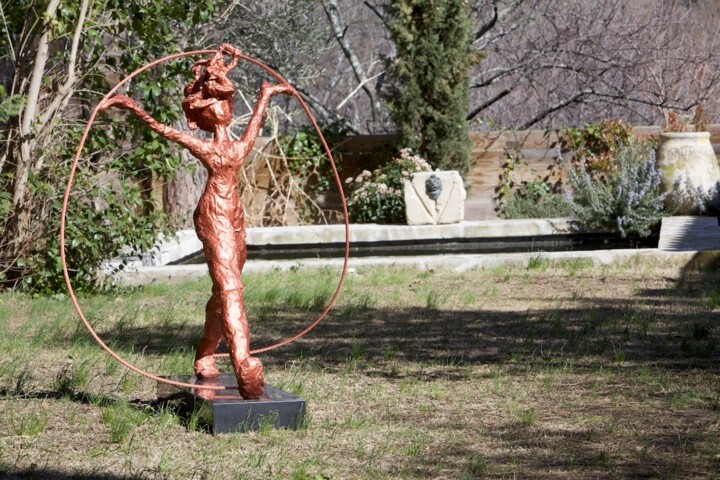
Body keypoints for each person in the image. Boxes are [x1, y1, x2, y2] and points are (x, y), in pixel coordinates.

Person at [99, 44, 294, 399]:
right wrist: (130, 106)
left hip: (234, 214)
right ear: (207, 114)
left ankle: (205, 354)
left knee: (224, 289)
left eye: (226, 103)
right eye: (216, 104)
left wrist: (267, 94)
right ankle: (244, 364)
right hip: (213, 214)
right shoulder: (206, 148)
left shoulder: (236, 147)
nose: (224, 108)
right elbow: (165, 131)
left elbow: (255, 125)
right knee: (232, 288)